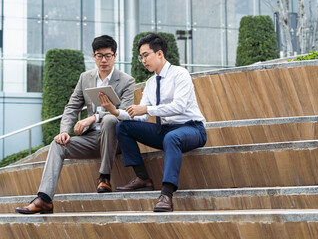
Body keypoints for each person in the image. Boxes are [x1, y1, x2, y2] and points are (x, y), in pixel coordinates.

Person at [15, 35, 135, 214]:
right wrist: (64, 131)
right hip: (91, 139)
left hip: (114, 141)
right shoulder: (85, 78)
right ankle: (45, 199)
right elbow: (72, 107)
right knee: (57, 144)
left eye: (108, 55)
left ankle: (104, 177)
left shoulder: (126, 81)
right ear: (93, 56)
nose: (104, 60)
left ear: (115, 56)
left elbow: (124, 112)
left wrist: (94, 117)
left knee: (110, 119)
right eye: (99, 55)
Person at [99, 33, 207, 212]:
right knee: (123, 127)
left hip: (192, 129)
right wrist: (114, 111)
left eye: (145, 55)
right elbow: (139, 116)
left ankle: (166, 194)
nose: (143, 60)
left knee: (172, 138)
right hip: (165, 130)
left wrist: (148, 110)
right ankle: (142, 178)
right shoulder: (150, 83)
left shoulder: (180, 74)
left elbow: (178, 107)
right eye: (140, 56)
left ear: (160, 54)